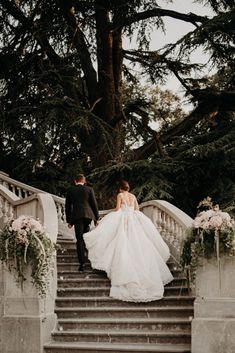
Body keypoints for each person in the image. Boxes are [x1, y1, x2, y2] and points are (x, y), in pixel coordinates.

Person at [84, 180, 174, 302]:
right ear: (128, 188)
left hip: (124, 220)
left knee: (122, 243)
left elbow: (117, 209)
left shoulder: (120, 195)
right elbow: (136, 209)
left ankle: (126, 272)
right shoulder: (133, 196)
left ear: (121, 189)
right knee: (138, 244)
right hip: (133, 220)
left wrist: (108, 217)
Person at [65, 174, 99, 271]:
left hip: (77, 217)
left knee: (79, 239)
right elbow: (94, 204)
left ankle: (82, 264)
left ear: (75, 181)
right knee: (86, 237)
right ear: (84, 181)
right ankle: (90, 260)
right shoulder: (89, 189)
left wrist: (69, 221)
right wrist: (96, 218)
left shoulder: (71, 190)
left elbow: (68, 207)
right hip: (88, 216)